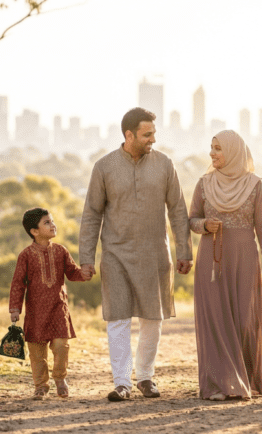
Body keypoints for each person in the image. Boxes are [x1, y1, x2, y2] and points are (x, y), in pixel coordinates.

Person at [79, 107, 193, 402]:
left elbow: (178, 210)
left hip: (155, 253)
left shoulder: (165, 164)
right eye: (147, 134)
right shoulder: (104, 167)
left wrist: (185, 250)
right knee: (117, 318)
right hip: (115, 254)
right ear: (129, 135)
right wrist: (87, 258)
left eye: (154, 133)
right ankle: (121, 382)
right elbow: (92, 214)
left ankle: (145, 377)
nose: (153, 139)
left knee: (152, 318)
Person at [188, 130, 262, 401]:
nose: (212, 153)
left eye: (218, 148)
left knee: (244, 319)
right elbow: (191, 219)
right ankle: (217, 384)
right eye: (211, 148)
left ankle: (246, 381)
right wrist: (204, 225)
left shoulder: (254, 185)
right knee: (214, 319)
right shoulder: (204, 183)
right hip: (211, 260)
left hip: (244, 259)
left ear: (234, 152)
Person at [9, 207, 87, 400]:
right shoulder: (26, 255)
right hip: (35, 311)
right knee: (37, 352)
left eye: (52, 221)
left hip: (58, 308)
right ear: (34, 232)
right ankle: (41, 386)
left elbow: (72, 273)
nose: (53, 225)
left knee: (62, 345)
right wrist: (15, 308)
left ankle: (60, 378)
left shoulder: (61, 251)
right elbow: (18, 283)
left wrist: (84, 273)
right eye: (47, 223)